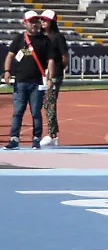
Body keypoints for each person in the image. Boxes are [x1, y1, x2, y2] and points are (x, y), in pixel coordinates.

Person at [5, 10, 56, 150]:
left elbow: (51, 60)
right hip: (20, 81)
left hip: (37, 82)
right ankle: (14, 138)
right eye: (31, 22)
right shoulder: (19, 39)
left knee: (35, 112)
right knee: (18, 112)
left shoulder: (45, 40)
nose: (34, 24)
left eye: (36, 21)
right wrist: (7, 72)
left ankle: (36, 139)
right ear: (25, 23)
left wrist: (50, 78)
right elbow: (10, 56)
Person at [39, 10, 68, 147]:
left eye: (45, 20)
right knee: (45, 103)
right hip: (41, 72)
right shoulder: (39, 36)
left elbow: (65, 56)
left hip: (54, 73)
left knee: (49, 102)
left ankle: (52, 134)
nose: (43, 22)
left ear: (52, 22)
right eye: (42, 19)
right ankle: (53, 134)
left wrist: (58, 69)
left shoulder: (58, 37)